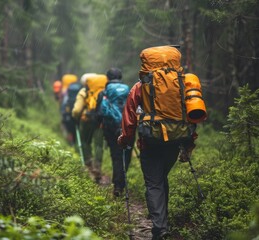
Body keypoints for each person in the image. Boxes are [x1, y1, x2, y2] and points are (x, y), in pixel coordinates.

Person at [118, 46, 198, 240]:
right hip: (175, 139)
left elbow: (129, 116)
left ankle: (159, 228)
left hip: (150, 141)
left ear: (147, 63)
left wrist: (125, 139)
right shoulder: (182, 83)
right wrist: (189, 143)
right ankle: (162, 222)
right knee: (161, 179)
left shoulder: (140, 86)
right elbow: (192, 112)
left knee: (154, 183)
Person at [96, 68, 133, 197]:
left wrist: (101, 124)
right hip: (128, 126)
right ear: (120, 77)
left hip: (111, 127)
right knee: (126, 154)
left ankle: (117, 184)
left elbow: (99, 112)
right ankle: (120, 182)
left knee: (116, 154)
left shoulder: (104, 92)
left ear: (108, 78)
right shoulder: (128, 90)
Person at [72, 73, 105, 183]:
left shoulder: (84, 91)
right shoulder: (104, 91)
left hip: (86, 120)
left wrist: (75, 117)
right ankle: (97, 166)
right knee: (99, 144)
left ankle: (89, 163)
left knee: (85, 141)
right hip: (100, 121)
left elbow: (77, 110)